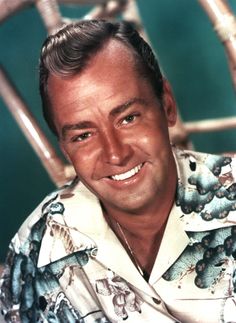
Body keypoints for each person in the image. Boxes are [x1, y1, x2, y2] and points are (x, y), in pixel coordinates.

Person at [1, 19, 236, 323]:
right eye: (82, 136)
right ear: (64, 147)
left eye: (128, 118)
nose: (115, 153)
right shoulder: (40, 245)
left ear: (166, 105)